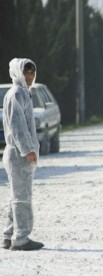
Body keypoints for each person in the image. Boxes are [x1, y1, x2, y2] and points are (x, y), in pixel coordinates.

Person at [2, 58, 44, 251]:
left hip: (17, 153)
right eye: (26, 72)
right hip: (18, 154)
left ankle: (9, 235)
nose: (29, 77)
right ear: (18, 73)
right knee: (22, 198)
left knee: (16, 196)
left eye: (32, 73)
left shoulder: (23, 93)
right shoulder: (17, 94)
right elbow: (18, 127)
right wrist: (27, 150)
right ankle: (21, 238)